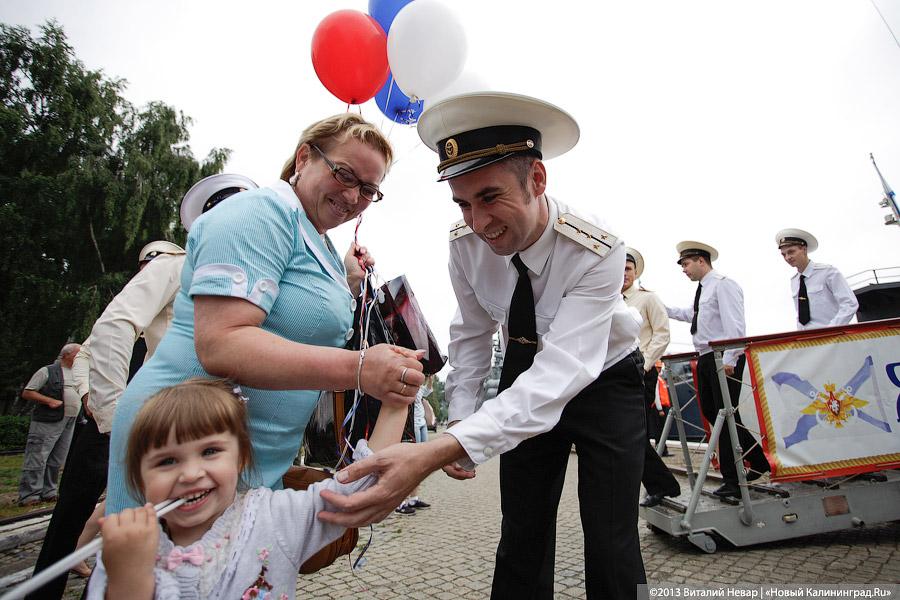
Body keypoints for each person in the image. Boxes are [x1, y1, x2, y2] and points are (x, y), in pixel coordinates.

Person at [319, 92, 647, 599]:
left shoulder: (597, 248)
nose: (478, 222)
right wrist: (463, 421)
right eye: (463, 203)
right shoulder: (464, 243)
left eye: (490, 197)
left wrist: (440, 449)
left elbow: (563, 371)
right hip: (525, 366)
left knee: (609, 536)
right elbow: (471, 333)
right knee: (522, 529)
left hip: (604, 376)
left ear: (537, 180)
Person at [106, 113, 424, 515]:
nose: (352, 196)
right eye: (344, 174)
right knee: (171, 577)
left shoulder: (317, 239)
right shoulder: (259, 213)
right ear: (304, 157)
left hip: (249, 456)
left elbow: (296, 325)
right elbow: (222, 343)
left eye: (368, 189)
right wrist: (360, 368)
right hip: (181, 450)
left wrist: (348, 281)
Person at [27, 176, 256, 599]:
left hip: (209, 429)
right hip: (156, 421)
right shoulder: (179, 265)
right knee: (102, 519)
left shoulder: (249, 279)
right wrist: (116, 415)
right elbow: (112, 328)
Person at [86, 378, 407, 599]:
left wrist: (396, 404)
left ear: (241, 459)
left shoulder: (273, 518)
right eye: (166, 461)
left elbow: (355, 491)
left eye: (210, 452)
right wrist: (128, 577)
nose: (190, 473)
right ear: (139, 477)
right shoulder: (123, 551)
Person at [665, 241, 769, 499]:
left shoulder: (723, 284)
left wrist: (731, 358)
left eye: (686, 264)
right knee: (716, 413)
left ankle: (733, 482)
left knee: (724, 414)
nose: (684, 270)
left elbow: (735, 323)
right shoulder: (703, 289)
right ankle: (757, 459)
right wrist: (660, 307)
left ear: (702, 260)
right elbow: (693, 315)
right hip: (705, 357)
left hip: (722, 356)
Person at [622, 247, 680, 508]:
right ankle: (660, 484)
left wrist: (643, 365)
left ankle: (662, 485)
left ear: (636, 272)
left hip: (640, 372)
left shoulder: (647, 299)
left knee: (635, 432)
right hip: (612, 375)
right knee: (626, 433)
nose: (623, 274)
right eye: (619, 268)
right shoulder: (606, 298)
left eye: (628, 269)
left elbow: (662, 333)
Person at [18, 343, 82, 506]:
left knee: (57, 458)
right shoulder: (47, 371)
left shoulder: (77, 373)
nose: (81, 357)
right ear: (66, 355)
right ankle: (30, 495)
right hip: (48, 419)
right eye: (78, 354)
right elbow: (28, 391)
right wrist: (49, 401)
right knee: (38, 455)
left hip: (70, 420)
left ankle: (49, 491)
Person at [775, 228, 858, 330]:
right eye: (784, 254)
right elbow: (800, 315)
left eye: (791, 252)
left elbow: (850, 303)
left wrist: (831, 329)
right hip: (807, 341)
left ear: (804, 249)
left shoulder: (827, 272)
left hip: (832, 337)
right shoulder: (794, 281)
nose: (787, 257)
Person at [396, 376, 435, 515]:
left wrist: (430, 376)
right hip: (410, 427)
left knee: (418, 464)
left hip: (421, 424)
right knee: (407, 464)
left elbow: (429, 389)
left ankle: (413, 498)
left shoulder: (419, 389)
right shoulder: (405, 388)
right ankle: (400, 502)